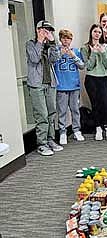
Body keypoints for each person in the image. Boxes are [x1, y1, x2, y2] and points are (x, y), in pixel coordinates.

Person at [26, 20, 62, 156]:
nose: (47, 32)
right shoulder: (30, 44)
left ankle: (50, 139)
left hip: (50, 83)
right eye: (45, 30)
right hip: (36, 85)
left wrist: (53, 43)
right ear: (38, 30)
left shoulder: (49, 45)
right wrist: (40, 41)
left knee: (51, 113)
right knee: (41, 115)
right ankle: (42, 143)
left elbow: (55, 58)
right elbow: (35, 58)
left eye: (49, 30)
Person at [81, 24, 107, 141]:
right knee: (96, 105)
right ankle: (98, 128)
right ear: (91, 33)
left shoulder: (106, 47)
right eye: (95, 31)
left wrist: (102, 52)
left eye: (99, 32)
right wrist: (94, 52)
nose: (97, 34)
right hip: (91, 79)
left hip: (103, 78)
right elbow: (88, 66)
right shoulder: (85, 48)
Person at [54, 29, 85, 145]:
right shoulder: (56, 51)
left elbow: (82, 66)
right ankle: (62, 132)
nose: (66, 40)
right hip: (61, 86)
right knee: (62, 111)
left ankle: (77, 130)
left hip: (74, 86)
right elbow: (51, 63)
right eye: (63, 38)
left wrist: (73, 56)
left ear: (71, 40)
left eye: (68, 38)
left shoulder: (76, 51)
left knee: (75, 110)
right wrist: (60, 54)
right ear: (60, 39)